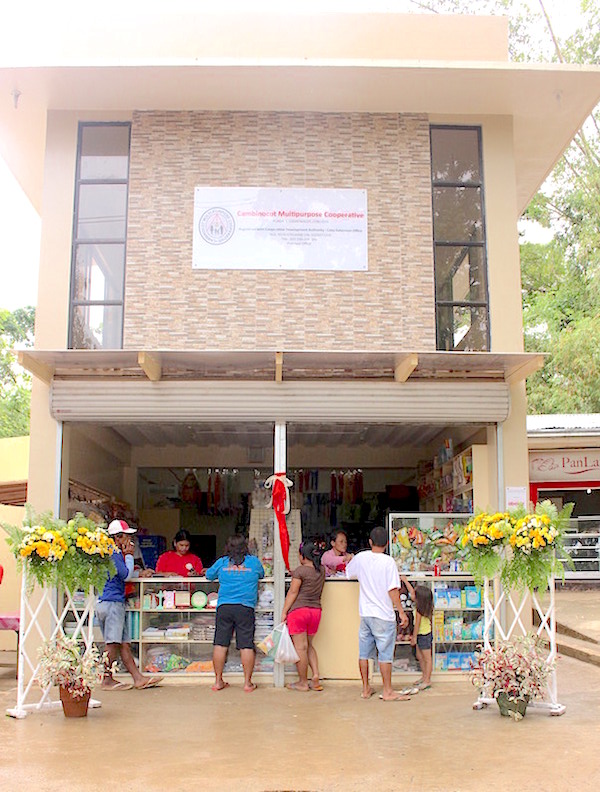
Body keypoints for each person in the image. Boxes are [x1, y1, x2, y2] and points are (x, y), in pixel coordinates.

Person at [345, 526, 410, 701]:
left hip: (366, 614)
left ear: (370, 542)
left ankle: (366, 688)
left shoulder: (361, 557)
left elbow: (348, 573)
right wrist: (402, 613)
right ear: (387, 544)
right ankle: (387, 690)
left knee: (364, 654)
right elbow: (393, 590)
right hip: (384, 615)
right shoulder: (388, 562)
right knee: (385, 654)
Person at [97, 519, 161, 690]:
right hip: (112, 603)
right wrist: (130, 555)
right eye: (127, 536)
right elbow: (125, 575)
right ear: (118, 537)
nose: (129, 540)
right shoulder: (113, 553)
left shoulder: (107, 552)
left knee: (123, 643)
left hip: (109, 602)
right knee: (112, 643)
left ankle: (138, 678)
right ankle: (106, 679)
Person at [205, 534, 264, 693]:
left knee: (220, 644)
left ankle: (218, 682)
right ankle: (247, 683)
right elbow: (262, 574)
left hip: (224, 607)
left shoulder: (222, 562)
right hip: (245, 608)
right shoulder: (254, 562)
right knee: (246, 644)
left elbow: (208, 575)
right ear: (245, 547)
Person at [281, 541, 326, 692]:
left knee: (300, 647)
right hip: (315, 612)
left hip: (299, 612)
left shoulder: (300, 571)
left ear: (302, 556)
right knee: (309, 646)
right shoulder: (321, 570)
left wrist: (284, 611)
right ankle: (316, 676)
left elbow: (293, 592)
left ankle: (302, 682)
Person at [410, 585, 433, 692]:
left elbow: (417, 625)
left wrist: (414, 637)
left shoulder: (419, 610)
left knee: (427, 658)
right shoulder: (425, 607)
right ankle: (424, 676)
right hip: (423, 634)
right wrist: (405, 581)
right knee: (420, 656)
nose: (411, 594)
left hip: (423, 634)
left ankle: (427, 680)